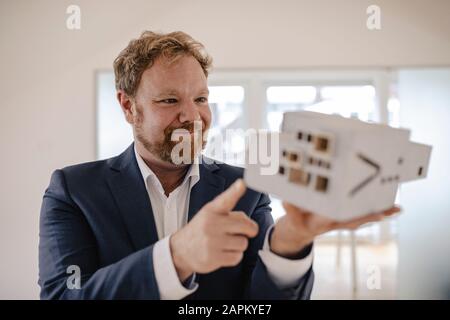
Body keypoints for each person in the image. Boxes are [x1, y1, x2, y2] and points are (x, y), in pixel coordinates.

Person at [38, 31, 400, 299]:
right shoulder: (73, 191)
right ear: (129, 107)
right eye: (169, 99)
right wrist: (176, 256)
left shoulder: (245, 188)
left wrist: (289, 243)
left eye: (201, 98)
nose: (192, 115)